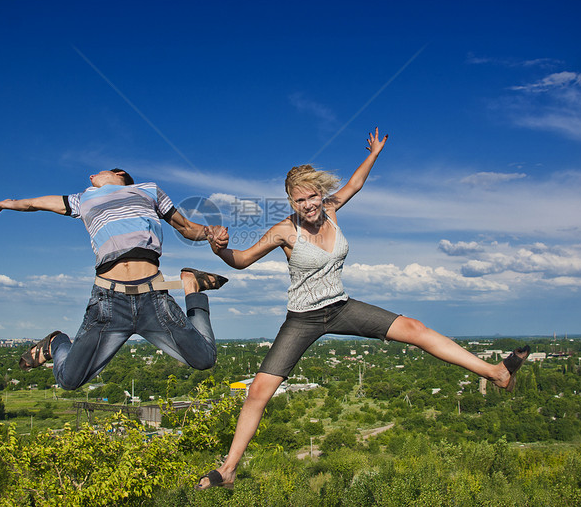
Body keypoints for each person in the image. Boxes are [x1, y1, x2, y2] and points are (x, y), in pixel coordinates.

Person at [195, 129, 530, 489]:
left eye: (312, 196)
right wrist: (219, 249)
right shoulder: (284, 232)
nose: (308, 205)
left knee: (415, 329)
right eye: (299, 200)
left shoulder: (332, 209)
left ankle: (496, 374)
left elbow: (355, 184)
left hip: (341, 306)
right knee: (259, 390)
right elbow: (242, 260)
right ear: (290, 203)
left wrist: (374, 154)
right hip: (303, 318)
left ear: (321, 194)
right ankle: (228, 470)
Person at [0, 167, 229, 390]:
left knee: (205, 359)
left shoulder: (148, 190)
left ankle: (192, 285)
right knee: (69, 380)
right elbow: (36, 204)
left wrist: (211, 232)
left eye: (96, 173)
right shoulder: (82, 199)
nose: (90, 177)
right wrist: (11, 203)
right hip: (109, 302)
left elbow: (186, 227)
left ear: (119, 173)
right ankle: (56, 343)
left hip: (153, 298)